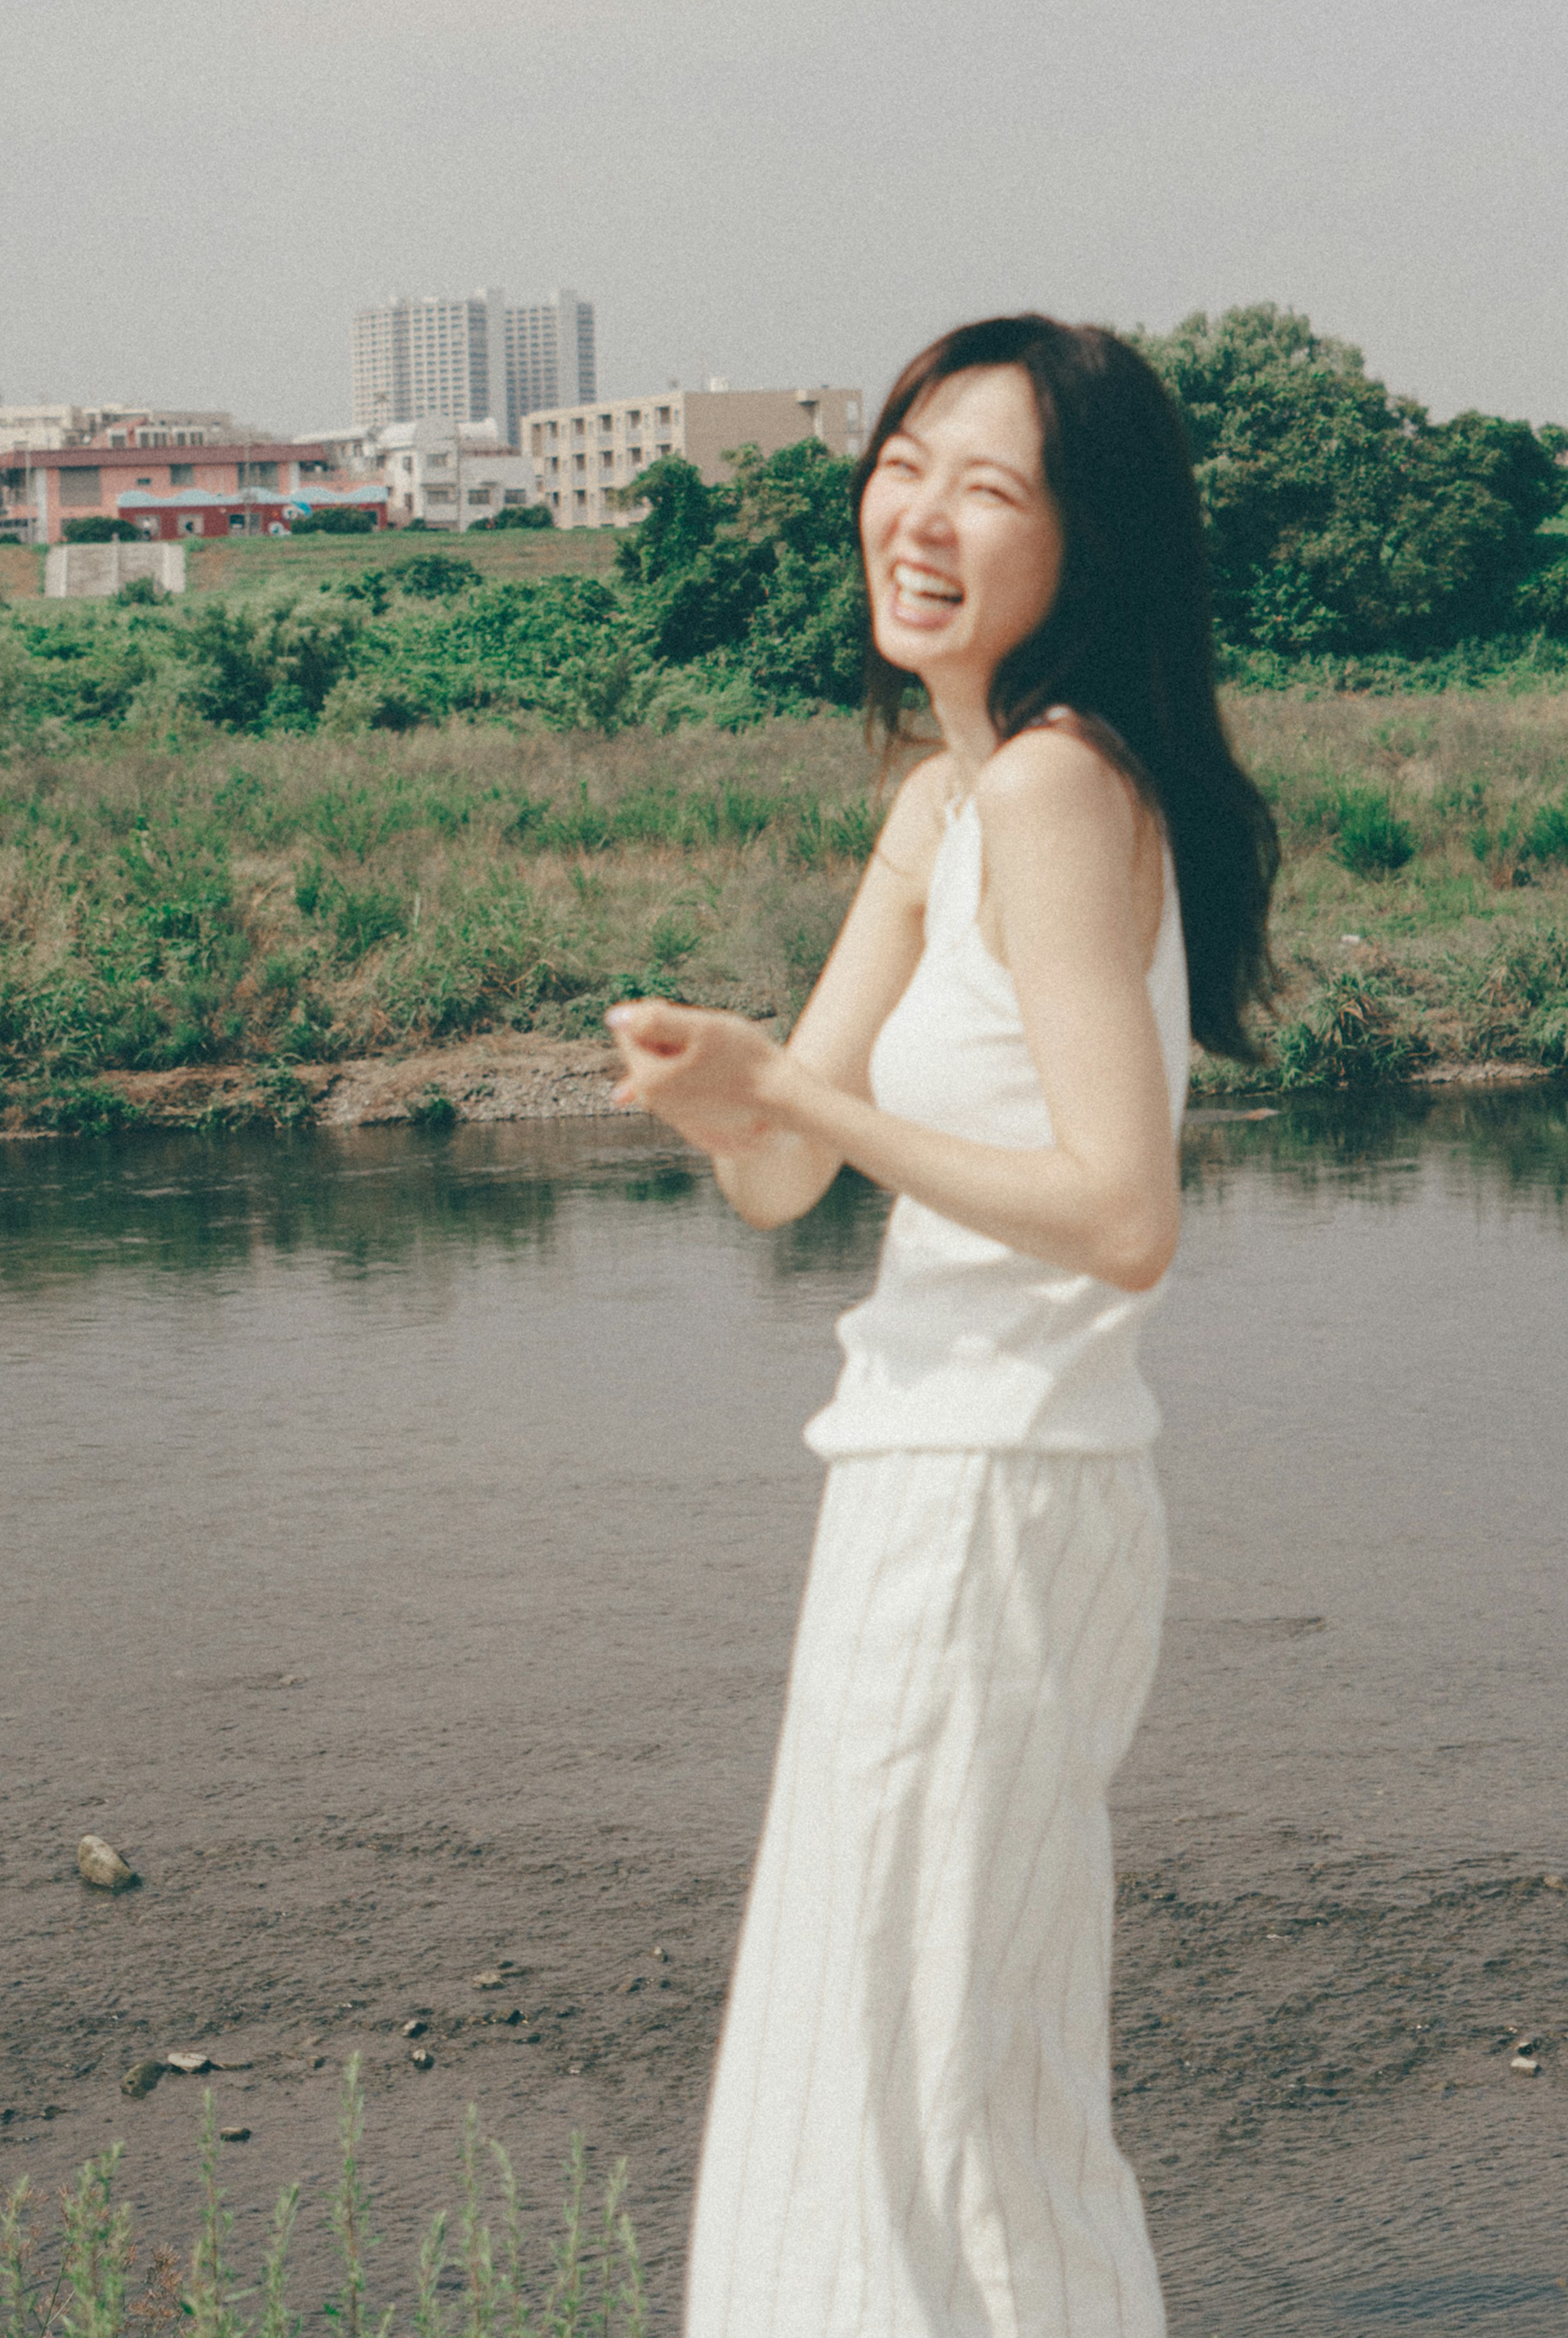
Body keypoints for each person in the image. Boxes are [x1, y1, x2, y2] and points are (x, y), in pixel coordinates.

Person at [608, 312, 1277, 2338]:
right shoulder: (946, 802)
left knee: (906, 2095)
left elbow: (1122, 1215)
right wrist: (719, 1086)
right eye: (906, 461)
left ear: (1095, 548)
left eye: (989, 487)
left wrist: (799, 1094)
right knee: (937, 2081)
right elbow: (785, 1184)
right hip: (947, 1481)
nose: (921, 513)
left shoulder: (1066, 787)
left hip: (994, 1492)